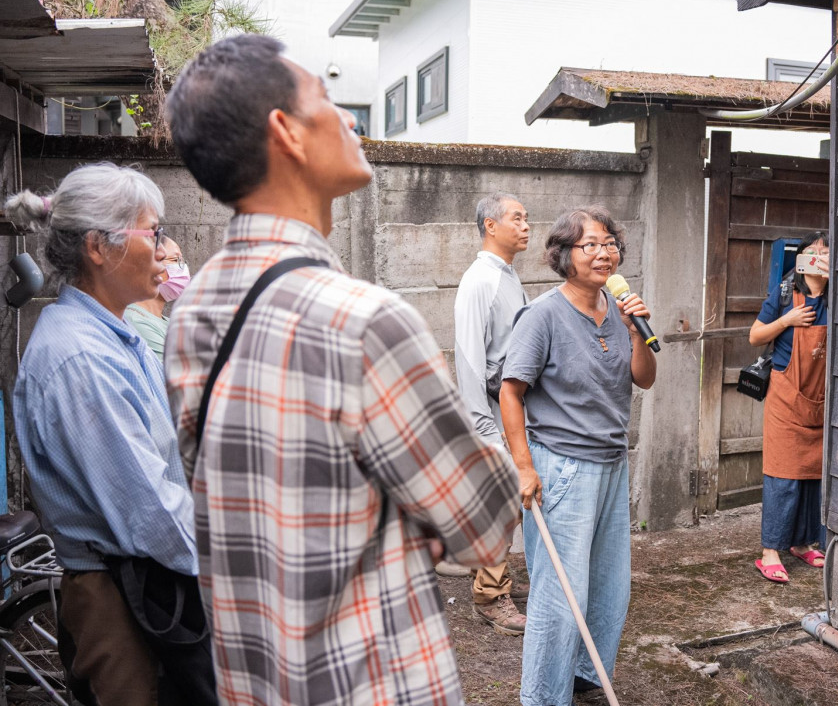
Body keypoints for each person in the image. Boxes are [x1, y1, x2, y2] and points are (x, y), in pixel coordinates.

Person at [163, 34, 522, 705]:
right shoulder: (364, 320)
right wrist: (414, 514)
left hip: (253, 681)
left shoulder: (193, 311)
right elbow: (485, 525)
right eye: (327, 99)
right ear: (286, 133)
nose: (350, 119)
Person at [7, 164, 213, 705]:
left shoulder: (114, 334)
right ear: (100, 247)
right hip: (118, 594)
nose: (167, 249)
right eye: (155, 233)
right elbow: (149, 511)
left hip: (142, 578)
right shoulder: (81, 358)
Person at [499, 205, 656, 706]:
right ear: (564, 255)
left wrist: (637, 330)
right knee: (560, 597)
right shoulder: (543, 315)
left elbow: (645, 377)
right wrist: (525, 466)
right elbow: (510, 391)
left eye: (609, 242)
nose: (604, 252)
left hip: (612, 463)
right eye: (590, 244)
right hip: (563, 467)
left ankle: (585, 677)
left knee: (610, 589)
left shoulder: (618, 308)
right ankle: (543, 696)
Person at [453, 192, 531, 635]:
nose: (525, 226)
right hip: (490, 413)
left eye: (526, 219)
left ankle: (480, 569)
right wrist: (486, 430)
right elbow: (468, 358)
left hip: (508, 407)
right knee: (505, 501)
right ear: (490, 225)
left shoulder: (506, 276)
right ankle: (490, 595)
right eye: (516, 218)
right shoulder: (480, 281)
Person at [748, 231, 830, 584]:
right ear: (803, 259)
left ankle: (803, 543)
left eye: (827, 252)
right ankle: (770, 552)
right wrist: (788, 321)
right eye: (814, 251)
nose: (820, 257)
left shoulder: (837, 298)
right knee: (783, 474)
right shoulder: (785, 294)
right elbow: (755, 336)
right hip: (785, 395)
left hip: (820, 396)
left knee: (813, 476)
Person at [124, 235, 189, 360]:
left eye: (182, 261)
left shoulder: (168, 321)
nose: (183, 268)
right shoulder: (137, 322)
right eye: (176, 260)